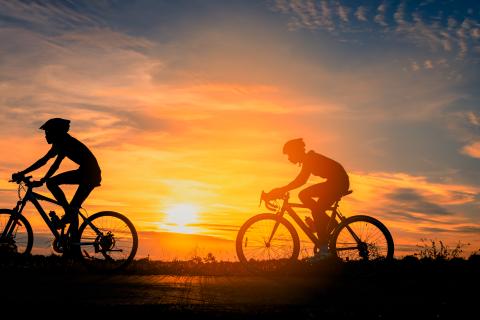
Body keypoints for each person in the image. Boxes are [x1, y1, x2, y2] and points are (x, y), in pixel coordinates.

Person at [11, 118, 102, 231]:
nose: (45, 136)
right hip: (87, 172)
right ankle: (72, 237)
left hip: (89, 174)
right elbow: (44, 161)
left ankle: (68, 213)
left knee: (52, 184)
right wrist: (27, 174)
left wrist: (41, 179)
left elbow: (53, 164)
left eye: (47, 132)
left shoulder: (64, 142)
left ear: (56, 132)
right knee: (72, 209)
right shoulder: (62, 142)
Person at [267, 138, 350, 258]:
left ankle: (324, 249)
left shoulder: (310, 159)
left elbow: (300, 181)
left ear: (296, 152)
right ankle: (326, 224)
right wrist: (282, 189)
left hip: (338, 183)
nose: (289, 158)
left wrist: (281, 190)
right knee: (316, 209)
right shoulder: (309, 159)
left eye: (290, 154)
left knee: (306, 198)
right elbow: (300, 180)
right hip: (336, 182)